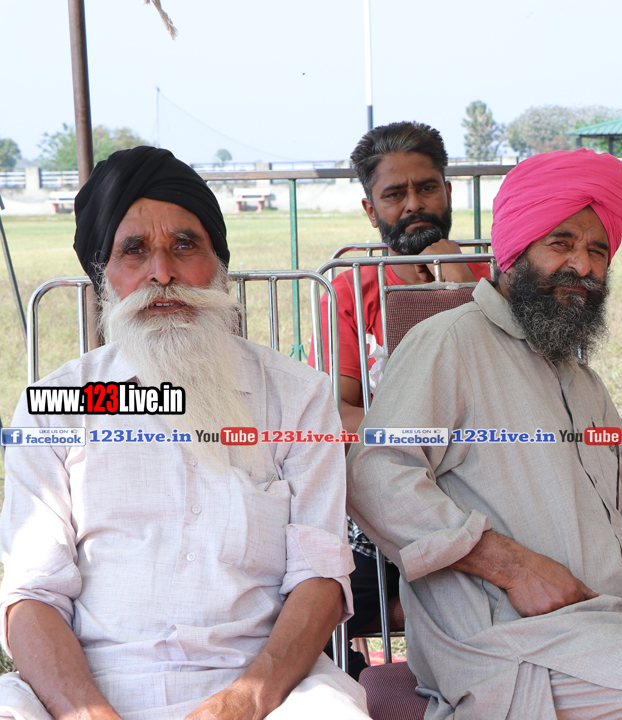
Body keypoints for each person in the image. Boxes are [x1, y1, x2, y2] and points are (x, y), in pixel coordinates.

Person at [348, 148, 622, 720]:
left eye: (596, 251)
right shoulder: (450, 341)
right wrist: (512, 567)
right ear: (514, 252)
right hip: (516, 639)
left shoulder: (582, 381)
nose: (582, 266)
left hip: (619, 621)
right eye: (560, 244)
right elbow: (375, 475)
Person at [0, 147, 368, 720]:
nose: (162, 273)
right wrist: (89, 714)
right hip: (88, 686)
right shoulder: (55, 408)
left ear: (218, 265)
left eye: (184, 245)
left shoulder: (298, 396)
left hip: (266, 685)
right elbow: (32, 595)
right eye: (134, 251)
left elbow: (319, 578)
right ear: (104, 278)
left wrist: (243, 701)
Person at [309, 121, 489, 676]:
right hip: (386, 497)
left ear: (448, 192)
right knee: (315, 609)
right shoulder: (350, 287)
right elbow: (337, 410)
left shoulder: (493, 278)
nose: (414, 205)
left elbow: (503, 389)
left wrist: (458, 280)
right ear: (371, 210)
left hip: (483, 489)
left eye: (427, 188)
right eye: (394, 195)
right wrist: (416, 434)